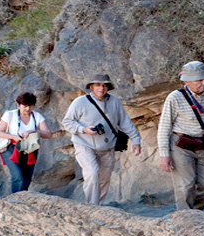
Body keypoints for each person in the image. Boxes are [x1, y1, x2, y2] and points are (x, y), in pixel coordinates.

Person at [60, 74, 142, 205]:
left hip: (107, 146)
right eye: (98, 85)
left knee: (105, 178)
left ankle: (97, 205)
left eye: (104, 85)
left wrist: (136, 140)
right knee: (92, 172)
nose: (101, 88)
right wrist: (83, 129)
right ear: (91, 87)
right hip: (84, 144)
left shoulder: (115, 101)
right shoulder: (80, 102)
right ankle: (91, 207)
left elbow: (125, 122)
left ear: (108, 87)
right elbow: (67, 122)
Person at [156, 61, 204, 211]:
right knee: (185, 185)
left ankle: (196, 213)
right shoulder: (174, 98)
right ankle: (185, 217)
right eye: (199, 80)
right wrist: (164, 155)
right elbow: (164, 127)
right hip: (182, 146)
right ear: (186, 81)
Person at [0, 92, 53, 195]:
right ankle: (14, 200)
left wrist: (34, 132)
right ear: (18, 105)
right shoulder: (10, 115)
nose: (28, 109)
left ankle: (22, 200)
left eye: (30, 106)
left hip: (30, 149)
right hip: (11, 148)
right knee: (17, 176)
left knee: (26, 178)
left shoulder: (37, 116)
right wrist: (14, 137)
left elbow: (48, 134)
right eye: (25, 106)